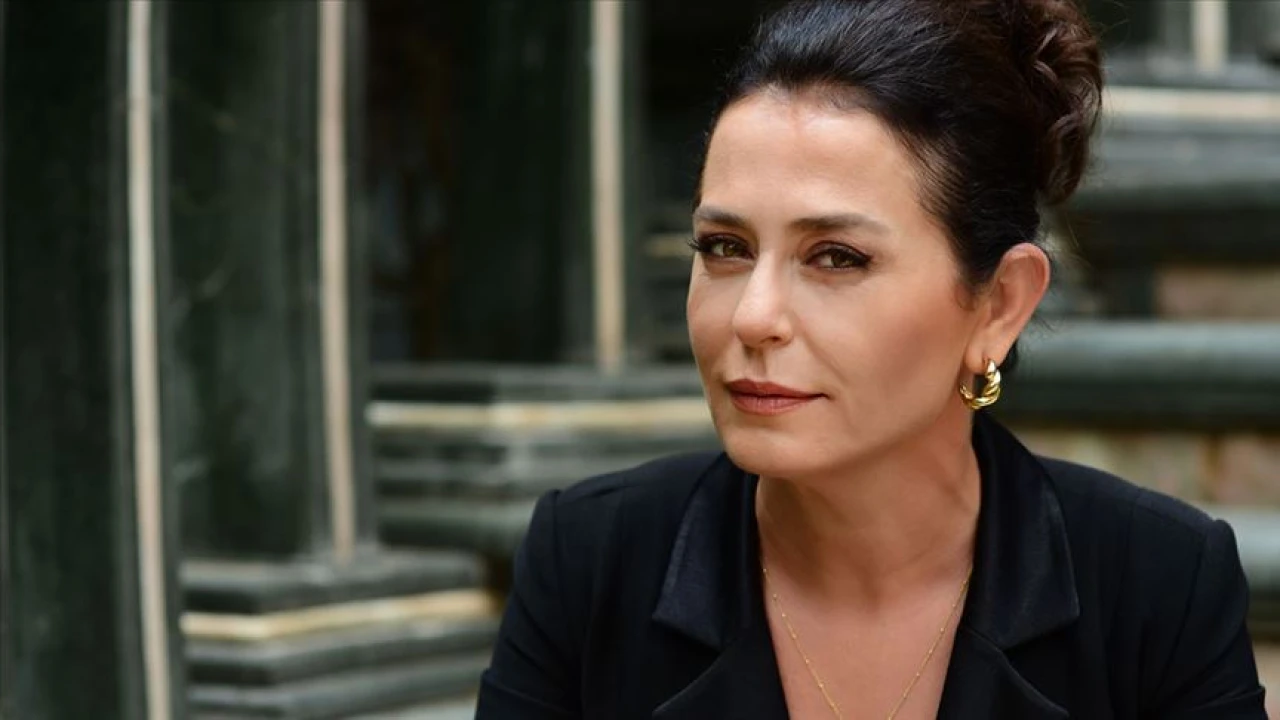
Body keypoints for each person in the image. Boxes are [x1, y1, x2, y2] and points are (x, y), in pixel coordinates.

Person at [475, 0, 1268, 717]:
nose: (753, 316)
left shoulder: (1158, 585)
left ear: (1000, 304)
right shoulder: (590, 563)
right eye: (724, 247)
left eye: (836, 257)